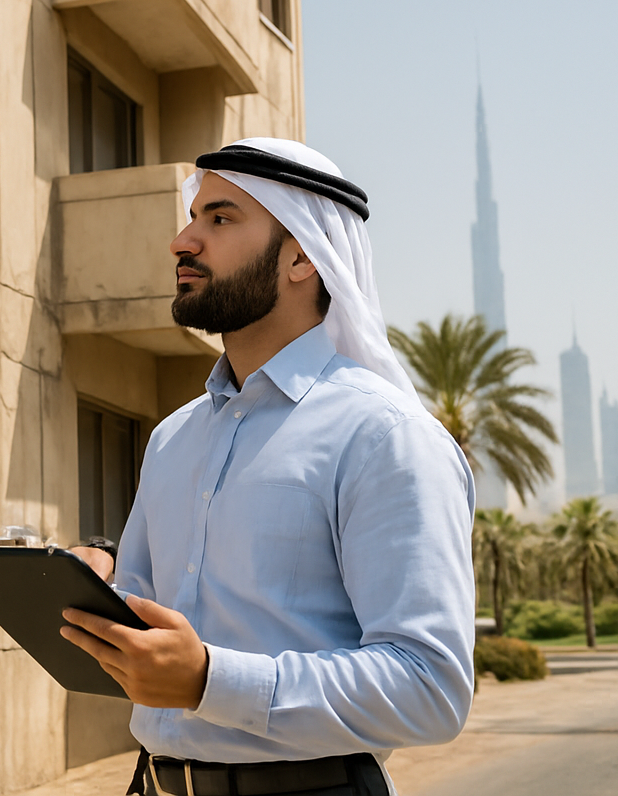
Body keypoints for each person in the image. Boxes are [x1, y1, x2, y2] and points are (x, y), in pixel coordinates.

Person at [61, 138, 475, 796]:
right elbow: (149, 628)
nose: (182, 242)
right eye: (192, 217)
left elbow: (430, 688)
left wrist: (210, 680)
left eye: (220, 219)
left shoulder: (383, 437)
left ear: (302, 255)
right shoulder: (171, 439)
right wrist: (92, 587)